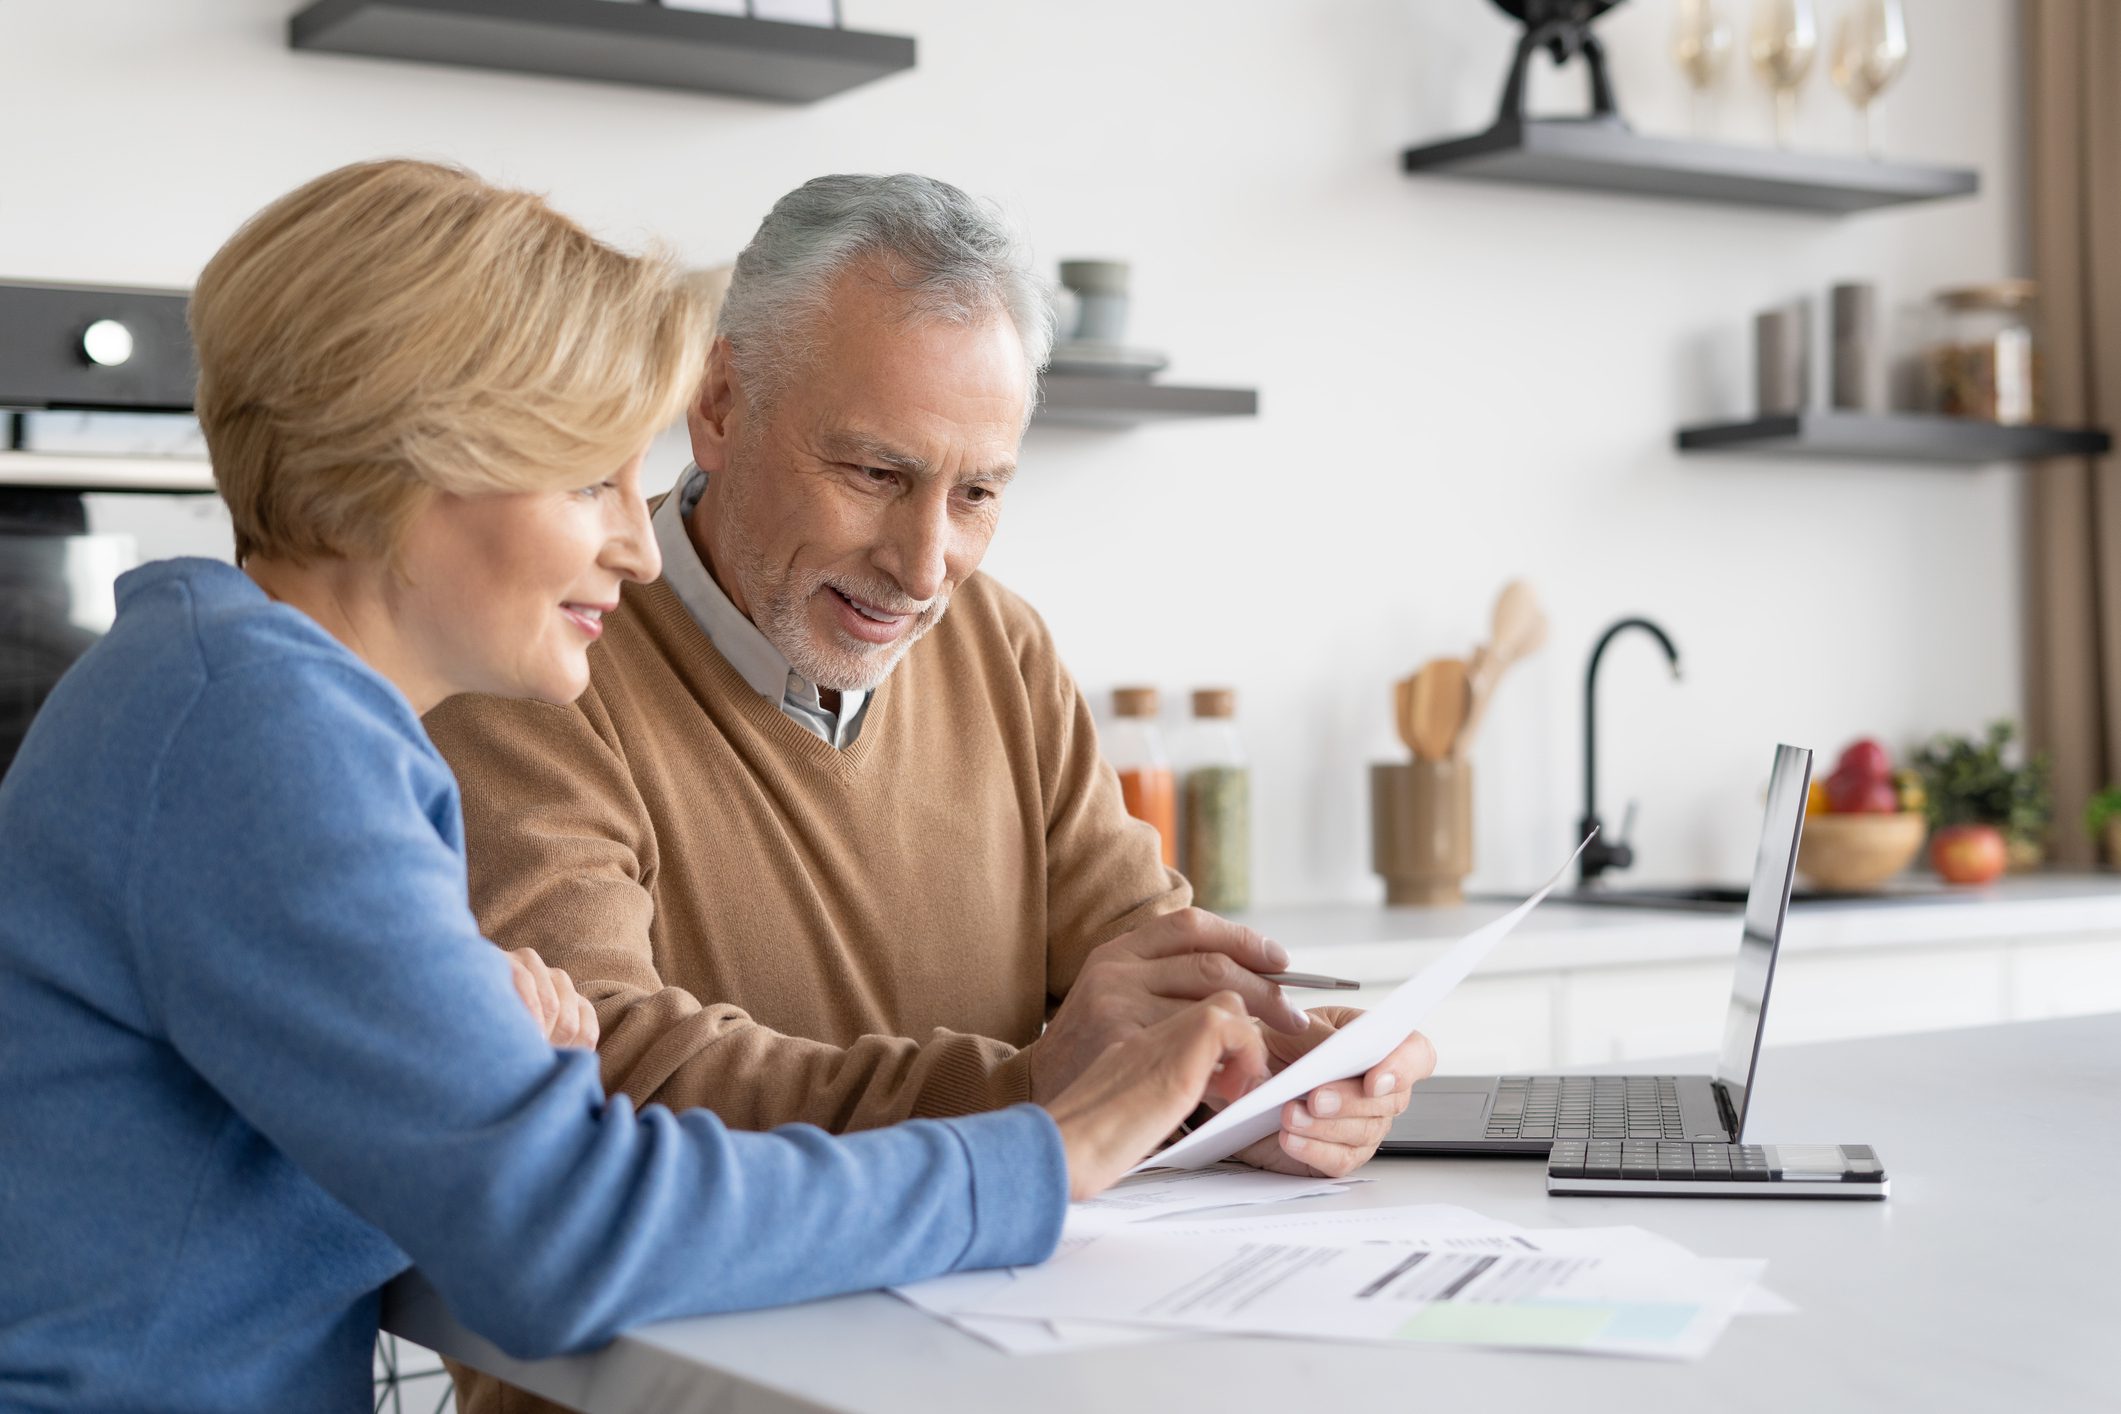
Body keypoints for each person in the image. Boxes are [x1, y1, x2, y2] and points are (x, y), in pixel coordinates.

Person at [0, 159, 1271, 1414]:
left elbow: (474, 1169)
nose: (634, 539)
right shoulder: (260, 734)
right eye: (586, 476)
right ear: (415, 467)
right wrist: (1039, 1155)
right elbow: (565, 1234)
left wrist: (510, 1079)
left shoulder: (244, 696)